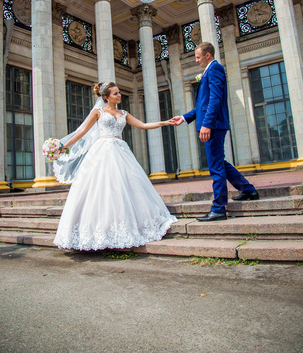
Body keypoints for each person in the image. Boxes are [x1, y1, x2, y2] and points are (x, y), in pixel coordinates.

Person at [53, 82, 177, 250]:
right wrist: (63, 147)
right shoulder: (97, 113)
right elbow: (82, 132)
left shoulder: (124, 113)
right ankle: (98, 231)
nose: (119, 96)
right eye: (115, 93)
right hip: (101, 152)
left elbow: (143, 125)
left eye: (119, 93)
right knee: (101, 189)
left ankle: (126, 226)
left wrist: (166, 122)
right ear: (106, 97)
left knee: (124, 187)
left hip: (121, 151)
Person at [171, 42, 259, 222]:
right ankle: (248, 189)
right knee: (219, 162)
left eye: (198, 57)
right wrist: (185, 117)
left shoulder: (215, 69)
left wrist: (207, 124)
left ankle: (219, 208)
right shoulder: (209, 71)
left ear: (208, 55)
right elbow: (203, 105)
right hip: (212, 124)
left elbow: (216, 99)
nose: (196, 60)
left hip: (214, 125)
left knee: (215, 167)